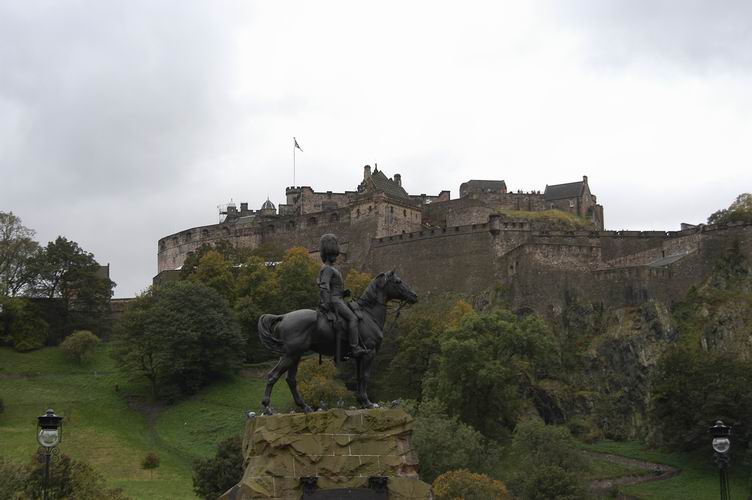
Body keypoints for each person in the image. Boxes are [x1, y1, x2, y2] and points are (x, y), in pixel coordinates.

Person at [318, 233, 367, 358]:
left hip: (340, 299)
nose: (336, 257)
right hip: (335, 301)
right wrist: (326, 303)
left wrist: (345, 293)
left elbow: (335, 287)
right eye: (333, 254)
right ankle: (355, 348)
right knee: (353, 319)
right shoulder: (328, 269)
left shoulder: (334, 269)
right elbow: (324, 286)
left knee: (357, 314)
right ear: (329, 254)